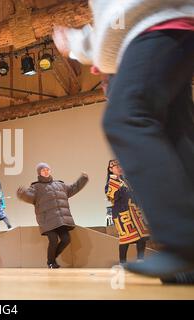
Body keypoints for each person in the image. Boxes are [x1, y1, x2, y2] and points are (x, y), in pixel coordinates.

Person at [52, 1, 194, 280]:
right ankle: (188, 266)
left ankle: (184, 241)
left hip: (158, 26)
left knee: (125, 119)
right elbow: (115, 17)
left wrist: (82, 44)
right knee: (177, 136)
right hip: (172, 26)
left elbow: (120, 14)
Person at [17, 163, 88, 268]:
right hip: (46, 220)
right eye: (43, 170)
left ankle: (51, 258)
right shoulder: (36, 187)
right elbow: (29, 197)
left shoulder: (60, 184)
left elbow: (73, 188)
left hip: (60, 219)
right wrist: (22, 194)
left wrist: (83, 179)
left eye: (47, 169)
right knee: (53, 239)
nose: (46, 171)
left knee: (66, 239)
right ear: (39, 173)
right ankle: (51, 262)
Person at [105, 159, 150, 264]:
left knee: (141, 237)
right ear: (111, 169)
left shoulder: (126, 180)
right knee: (125, 239)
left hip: (134, 211)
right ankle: (123, 263)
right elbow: (111, 197)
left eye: (120, 166)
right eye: (117, 167)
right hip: (122, 213)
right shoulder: (111, 182)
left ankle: (140, 261)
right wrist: (117, 184)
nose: (119, 168)